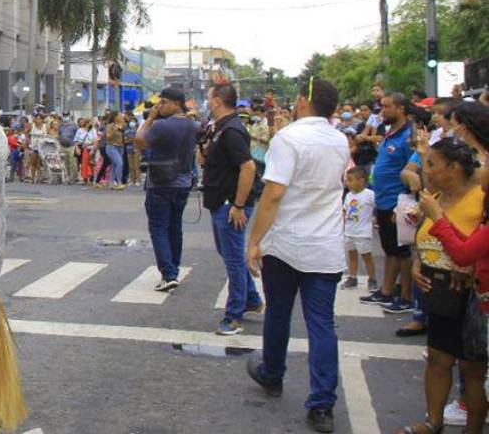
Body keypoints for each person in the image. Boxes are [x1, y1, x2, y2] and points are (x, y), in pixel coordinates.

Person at [245, 77, 348, 434]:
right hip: (325, 244)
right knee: (322, 324)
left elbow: (273, 194)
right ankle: (322, 405)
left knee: (278, 312)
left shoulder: (288, 138)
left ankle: (272, 374)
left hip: (286, 242)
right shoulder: (339, 140)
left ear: (303, 101)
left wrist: (254, 240)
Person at [399, 138, 487, 434]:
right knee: (438, 358)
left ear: (454, 168)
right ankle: (433, 422)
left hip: (472, 296)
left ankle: (473, 429)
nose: (426, 171)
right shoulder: (434, 197)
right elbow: (424, 234)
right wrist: (417, 261)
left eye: (432, 164)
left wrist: (472, 266)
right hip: (438, 293)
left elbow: (477, 247)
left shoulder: (480, 199)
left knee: (472, 368)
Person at [200, 83, 264, 336]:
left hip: (230, 205)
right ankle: (251, 298)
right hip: (219, 201)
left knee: (235, 259)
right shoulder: (220, 128)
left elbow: (248, 168)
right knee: (228, 253)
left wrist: (238, 205)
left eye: (209, 98)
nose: (206, 102)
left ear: (217, 101)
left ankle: (234, 315)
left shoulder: (232, 130)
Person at [134, 88, 197, 292]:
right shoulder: (192, 124)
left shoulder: (162, 125)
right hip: (183, 182)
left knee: (159, 227)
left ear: (176, 104)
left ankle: (168, 273)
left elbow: (139, 142)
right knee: (175, 227)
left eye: (164, 102)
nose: (159, 107)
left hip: (161, 182)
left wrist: (149, 119)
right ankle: (173, 270)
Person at [362, 92, 415, 315]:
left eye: (387, 107)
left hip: (397, 202)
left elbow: (413, 170)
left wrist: (403, 204)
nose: (382, 111)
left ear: (401, 109)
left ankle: (406, 296)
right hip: (383, 201)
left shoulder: (409, 136)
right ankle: (386, 291)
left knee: (402, 251)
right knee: (390, 249)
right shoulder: (389, 132)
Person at [341, 167, 377, 292]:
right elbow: (345, 211)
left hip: (363, 232)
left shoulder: (369, 194)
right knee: (351, 254)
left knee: (367, 256)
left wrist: (376, 218)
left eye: (350, 180)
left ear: (361, 180)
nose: (347, 182)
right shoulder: (348, 195)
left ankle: (372, 279)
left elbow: (377, 206)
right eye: (346, 180)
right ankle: (352, 277)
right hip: (349, 231)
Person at [103, 113, 127, 190]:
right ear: (115, 117)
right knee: (120, 163)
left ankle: (111, 183)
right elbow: (108, 136)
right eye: (120, 116)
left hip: (121, 147)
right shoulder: (110, 126)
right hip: (112, 147)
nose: (122, 117)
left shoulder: (123, 125)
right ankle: (119, 183)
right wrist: (115, 129)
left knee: (114, 165)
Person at [58, 114, 79, 184]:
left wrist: (76, 145)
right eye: (64, 115)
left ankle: (74, 177)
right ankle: (67, 177)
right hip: (63, 146)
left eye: (66, 115)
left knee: (73, 162)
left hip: (71, 146)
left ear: (69, 116)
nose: (65, 117)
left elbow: (77, 135)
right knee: (65, 163)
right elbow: (59, 134)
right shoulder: (61, 125)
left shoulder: (74, 125)